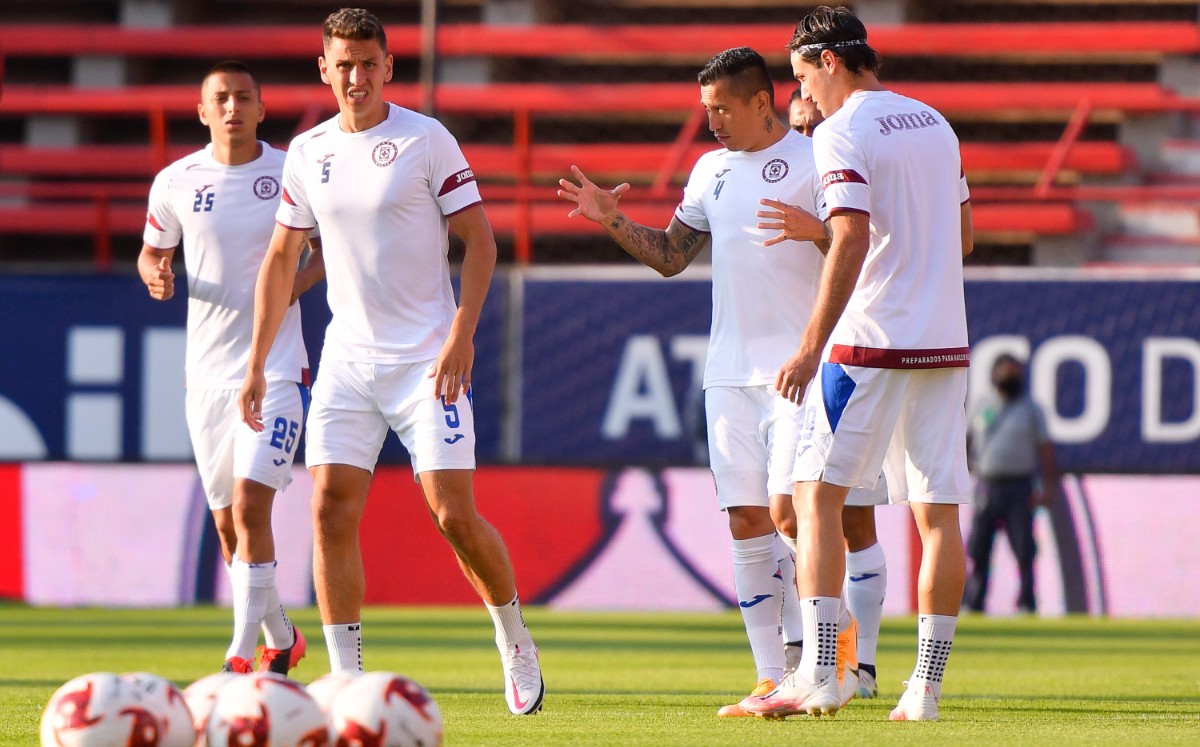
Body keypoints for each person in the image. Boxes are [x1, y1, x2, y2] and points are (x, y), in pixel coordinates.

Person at [237, 8, 544, 715]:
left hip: (426, 360)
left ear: (389, 67)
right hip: (348, 358)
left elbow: (481, 242)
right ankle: (345, 676)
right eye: (342, 64)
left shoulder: (425, 138)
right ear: (324, 69)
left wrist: (462, 335)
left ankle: (514, 636)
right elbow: (284, 256)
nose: (355, 77)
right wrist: (257, 361)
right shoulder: (308, 151)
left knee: (452, 514)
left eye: (368, 63)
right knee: (328, 510)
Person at [558, 46, 880, 718]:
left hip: (801, 366)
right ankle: (772, 674)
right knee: (744, 521)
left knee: (793, 511)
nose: (712, 123)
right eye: (706, 111)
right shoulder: (709, 171)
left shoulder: (816, 156)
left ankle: (837, 642)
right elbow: (673, 256)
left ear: (762, 101)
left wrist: (816, 231)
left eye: (721, 109)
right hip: (729, 373)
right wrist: (610, 218)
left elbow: (858, 247)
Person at [745, 6, 975, 721]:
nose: (803, 94)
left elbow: (848, 237)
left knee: (814, 498)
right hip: (945, 342)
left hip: (870, 341)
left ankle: (821, 671)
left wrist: (812, 344)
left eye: (801, 74)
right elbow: (965, 237)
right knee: (938, 516)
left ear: (830, 60)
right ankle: (924, 689)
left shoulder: (843, 130)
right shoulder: (935, 121)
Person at [139, 60, 324, 675]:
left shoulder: (290, 172)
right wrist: (156, 275)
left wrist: (294, 286)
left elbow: (330, 249)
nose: (232, 108)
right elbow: (152, 252)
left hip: (277, 370)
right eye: (220, 98)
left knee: (250, 507)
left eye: (244, 97)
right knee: (227, 529)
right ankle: (283, 637)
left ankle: (240, 658)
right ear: (202, 110)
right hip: (207, 376)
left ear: (262, 108)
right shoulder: (174, 181)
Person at [783, 82, 889, 701]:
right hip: (795, 363)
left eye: (811, 121)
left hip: (848, 354)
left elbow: (864, 246)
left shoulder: (846, 157)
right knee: (789, 511)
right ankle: (832, 647)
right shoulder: (780, 172)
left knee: (854, 514)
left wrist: (814, 231)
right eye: (796, 128)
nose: (806, 133)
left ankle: (861, 664)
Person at [965, 354, 1059, 614]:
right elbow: (966, 441)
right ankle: (974, 602)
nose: (1012, 379)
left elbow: (1046, 449)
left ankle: (1027, 602)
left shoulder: (1030, 408)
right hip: (988, 485)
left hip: (1019, 486)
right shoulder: (981, 404)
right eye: (1007, 373)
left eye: (1016, 374)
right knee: (979, 547)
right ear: (994, 376)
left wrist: (1048, 486)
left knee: (1024, 549)